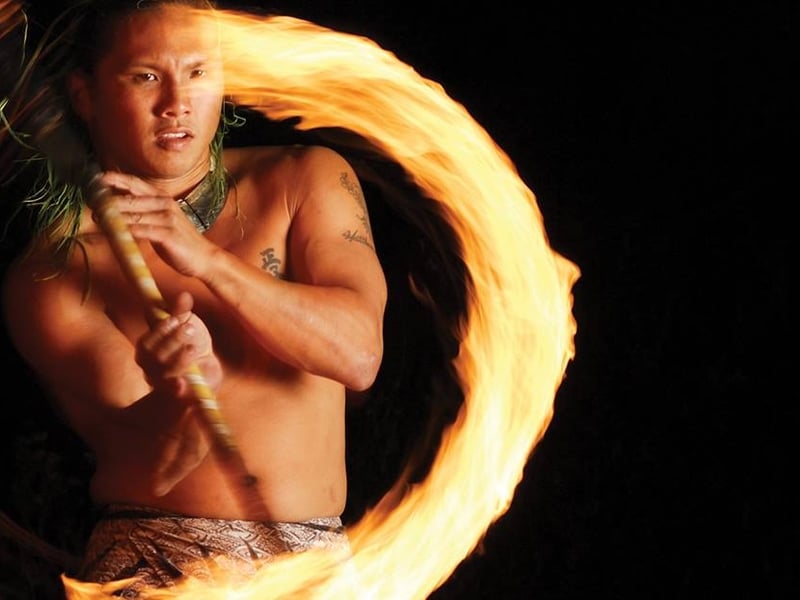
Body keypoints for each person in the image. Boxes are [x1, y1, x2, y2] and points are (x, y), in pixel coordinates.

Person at [0, 0, 387, 594]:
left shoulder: (303, 180)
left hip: (313, 566)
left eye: (198, 72)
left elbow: (358, 356)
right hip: (156, 565)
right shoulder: (58, 272)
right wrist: (185, 391)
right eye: (146, 76)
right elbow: (152, 459)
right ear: (85, 94)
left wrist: (208, 262)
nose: (176, 102)